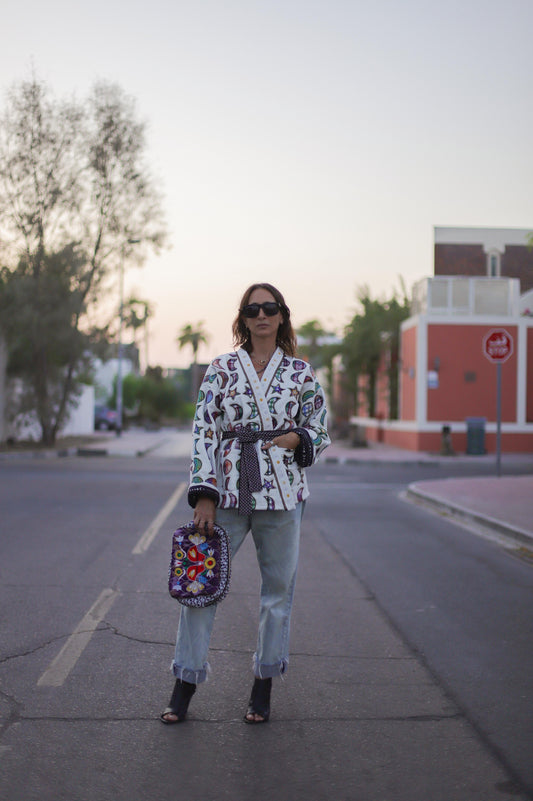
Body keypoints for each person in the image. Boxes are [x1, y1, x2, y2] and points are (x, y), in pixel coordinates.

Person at [160, 282, 330, 725]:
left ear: (281, 316)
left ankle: (263, 684)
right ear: (243, 317)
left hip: (283, 493)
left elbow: (321, 427)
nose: (261, 315)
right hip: (228, 493)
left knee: (277, 595)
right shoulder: (219, 369)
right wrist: (204, 495)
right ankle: (185, 683)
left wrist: (300, 438)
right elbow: (204, 432)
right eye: (253, 308)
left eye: (269, 308)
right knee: (198, 587)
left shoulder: (300, 373)